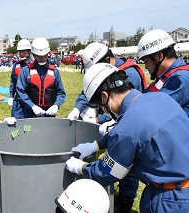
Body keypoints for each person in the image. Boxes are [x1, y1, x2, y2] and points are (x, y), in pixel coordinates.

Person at [65, 63, 189, 213]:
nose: (104, 111)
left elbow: (109, 172)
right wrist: (96, 145)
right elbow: (140, 132)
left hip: (170, 200)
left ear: (104, 97)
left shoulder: (126, 128)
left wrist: (82, 167)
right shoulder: (161, 98)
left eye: (101, 106)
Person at [68, 42, 147, 123]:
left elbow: (124, 107)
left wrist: (98, 120)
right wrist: (77, 108)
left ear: (107, 60)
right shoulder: (104, 71)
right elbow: (88, 90)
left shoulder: (130, 75)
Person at [137, 29, 189, 117]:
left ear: (159, 56)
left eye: (146, 62)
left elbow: (153, 110)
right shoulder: (165, 76)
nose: (145, 67)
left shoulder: (180, 79)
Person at [16, 37, 66, 118]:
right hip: (30, 113)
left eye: (45, 55)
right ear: (34, 54)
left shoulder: (54, 71)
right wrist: (32, 106)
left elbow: (61, 93)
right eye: (39, 56)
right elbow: (20, 91)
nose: (42, 58)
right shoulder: (26, 71)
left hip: (49, 114)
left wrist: (56, 105)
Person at [8, 39, 33, 118]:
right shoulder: (17, 65)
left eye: (24, 51)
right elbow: (13, 81)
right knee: (15, 121)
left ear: (29, 51)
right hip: (18, 99)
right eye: (20, 52)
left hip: (30, 99)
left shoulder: (34, 65)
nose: (21, 54)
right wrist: (11, 96)